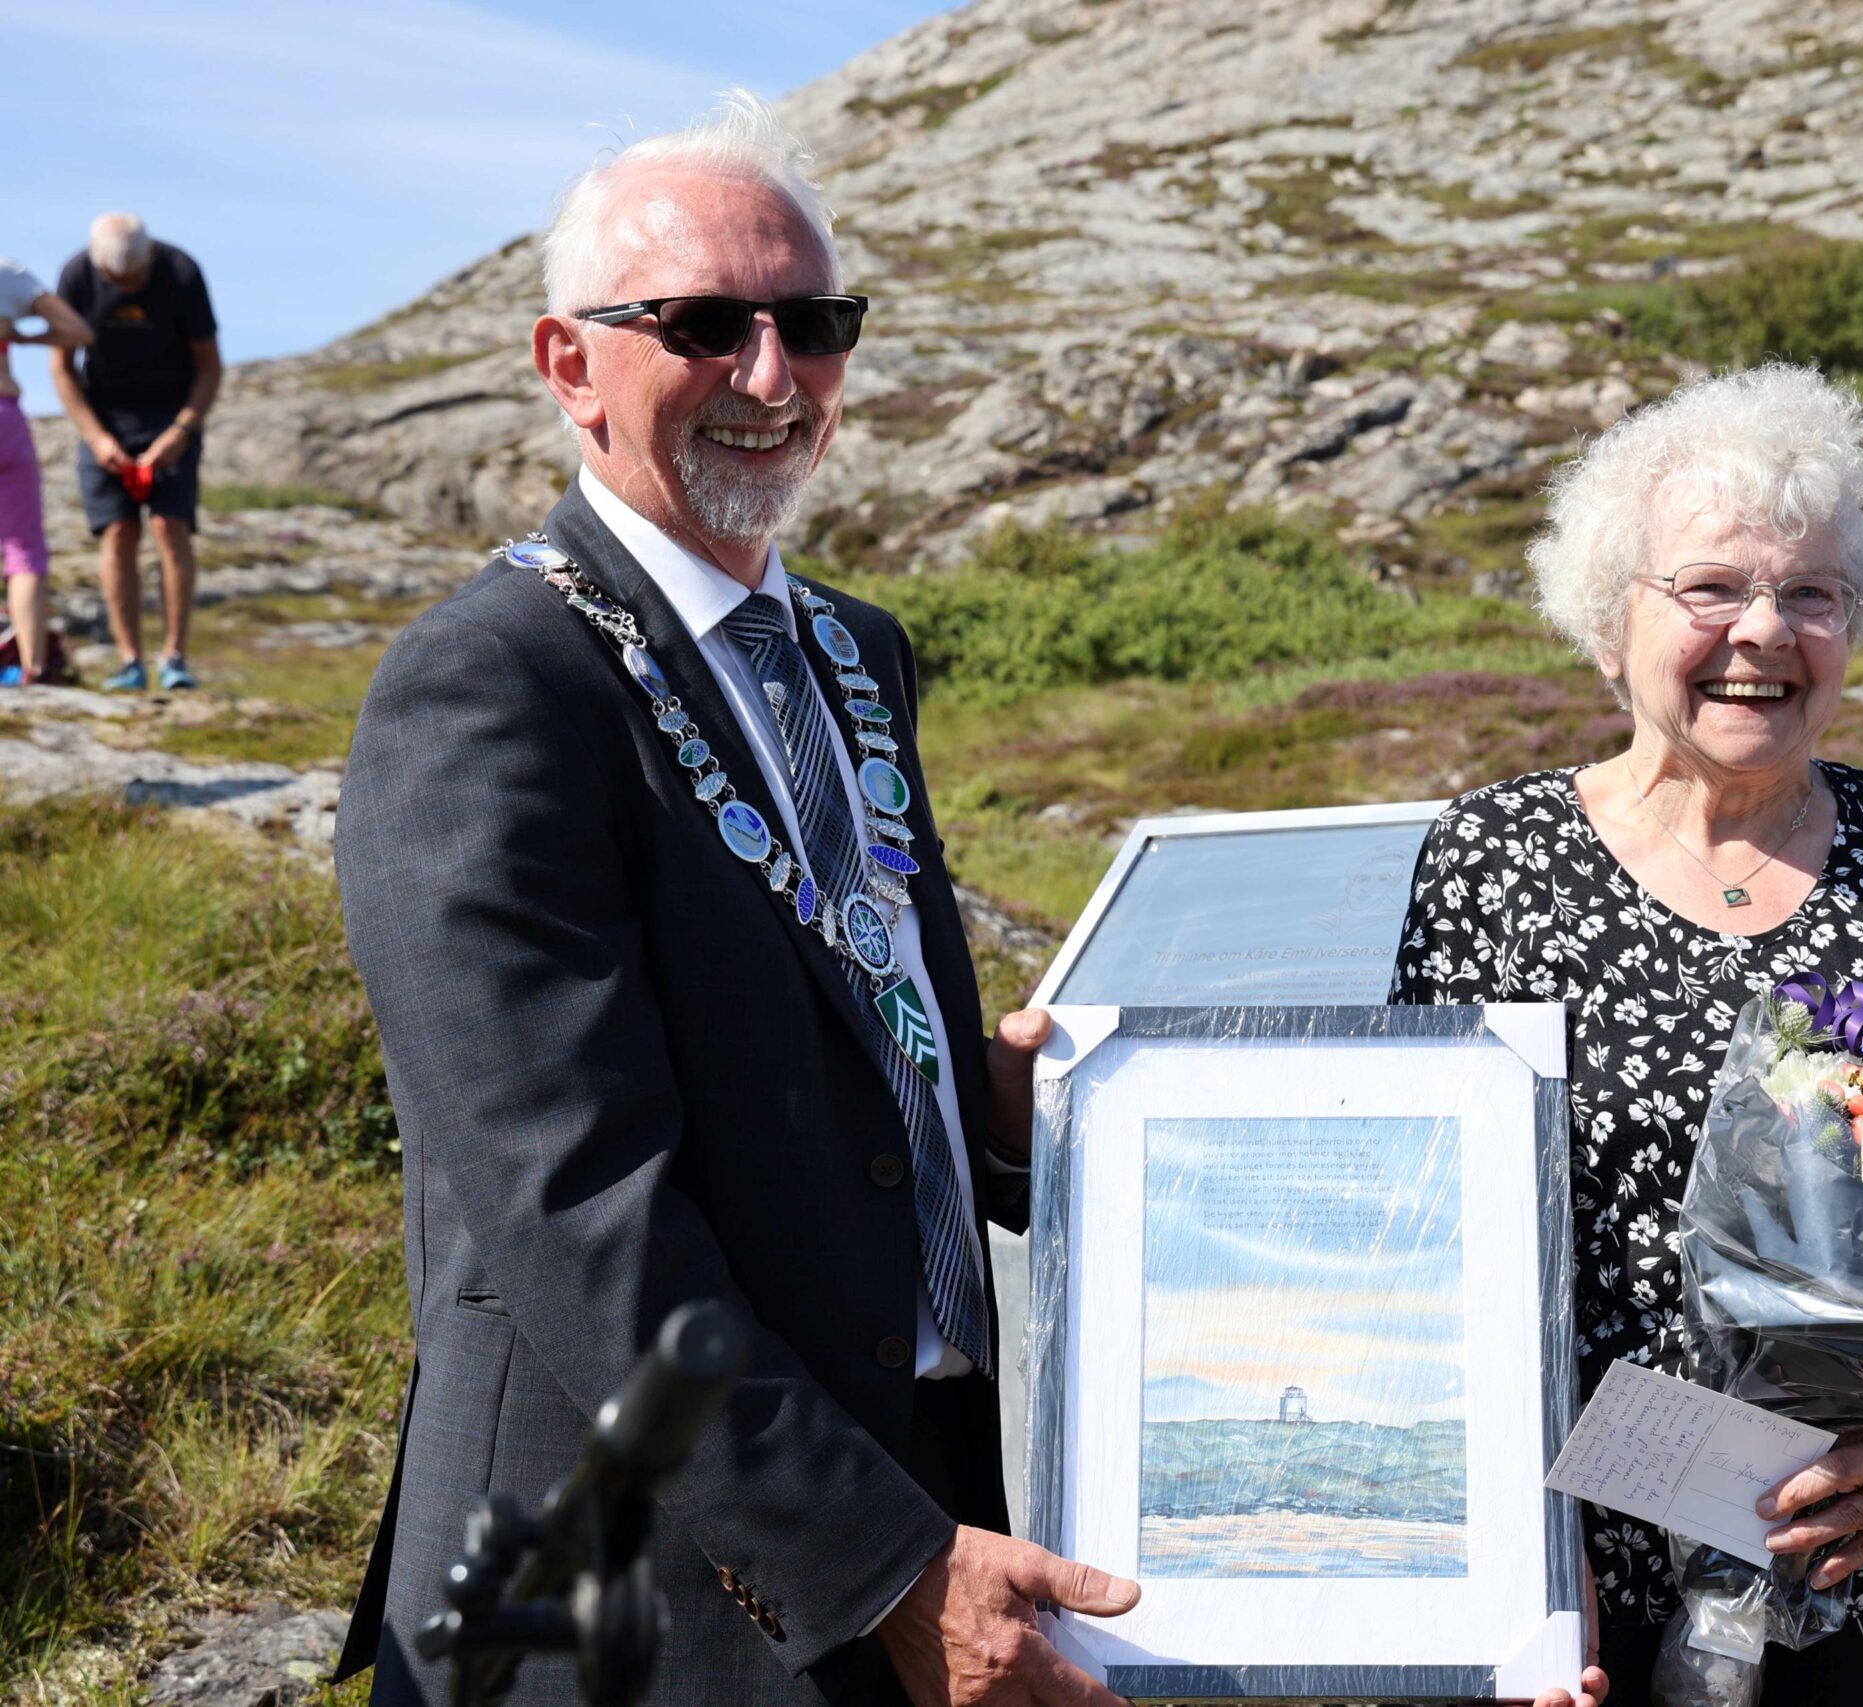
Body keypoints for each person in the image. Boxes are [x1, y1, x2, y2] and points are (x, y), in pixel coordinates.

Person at [332, 94, 1140, 1707]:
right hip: (629, 1562)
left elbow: (830, 1014)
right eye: (703, 325)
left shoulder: (859, 650)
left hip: (915, 1466)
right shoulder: (489, 683)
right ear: (572, 365)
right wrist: (878, 1561)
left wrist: (977, 1105)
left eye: (814, 324)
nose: (772, 378)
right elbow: (564, 1200)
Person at [1393, 363, 1863, 1706]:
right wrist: (1526, 1574)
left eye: (1809, 593)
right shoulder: (1493, 859)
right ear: (1607, 619)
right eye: (1710, 586)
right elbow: (1431, 1254)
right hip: (1600, 1594)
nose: (1763, 629)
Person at [52, 213, 220, 692]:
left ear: (150, 256)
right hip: (105, 418)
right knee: (118, 533)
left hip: (171, 414)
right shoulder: (77, 275)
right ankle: (129, 660)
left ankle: (175, 658)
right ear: (98, 267)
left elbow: (210, 367)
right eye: (115, 279)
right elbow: (62, 368)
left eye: (135, 277)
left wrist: (182, 431)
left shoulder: (181, 272)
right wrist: (96, 437)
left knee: (170, 527)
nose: (127, 285)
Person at [0, 255, 92, 685]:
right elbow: (77, 331)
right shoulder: (7, 273)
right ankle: (33, 667)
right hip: (5, 417)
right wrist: (20, 337)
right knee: (23, 548)